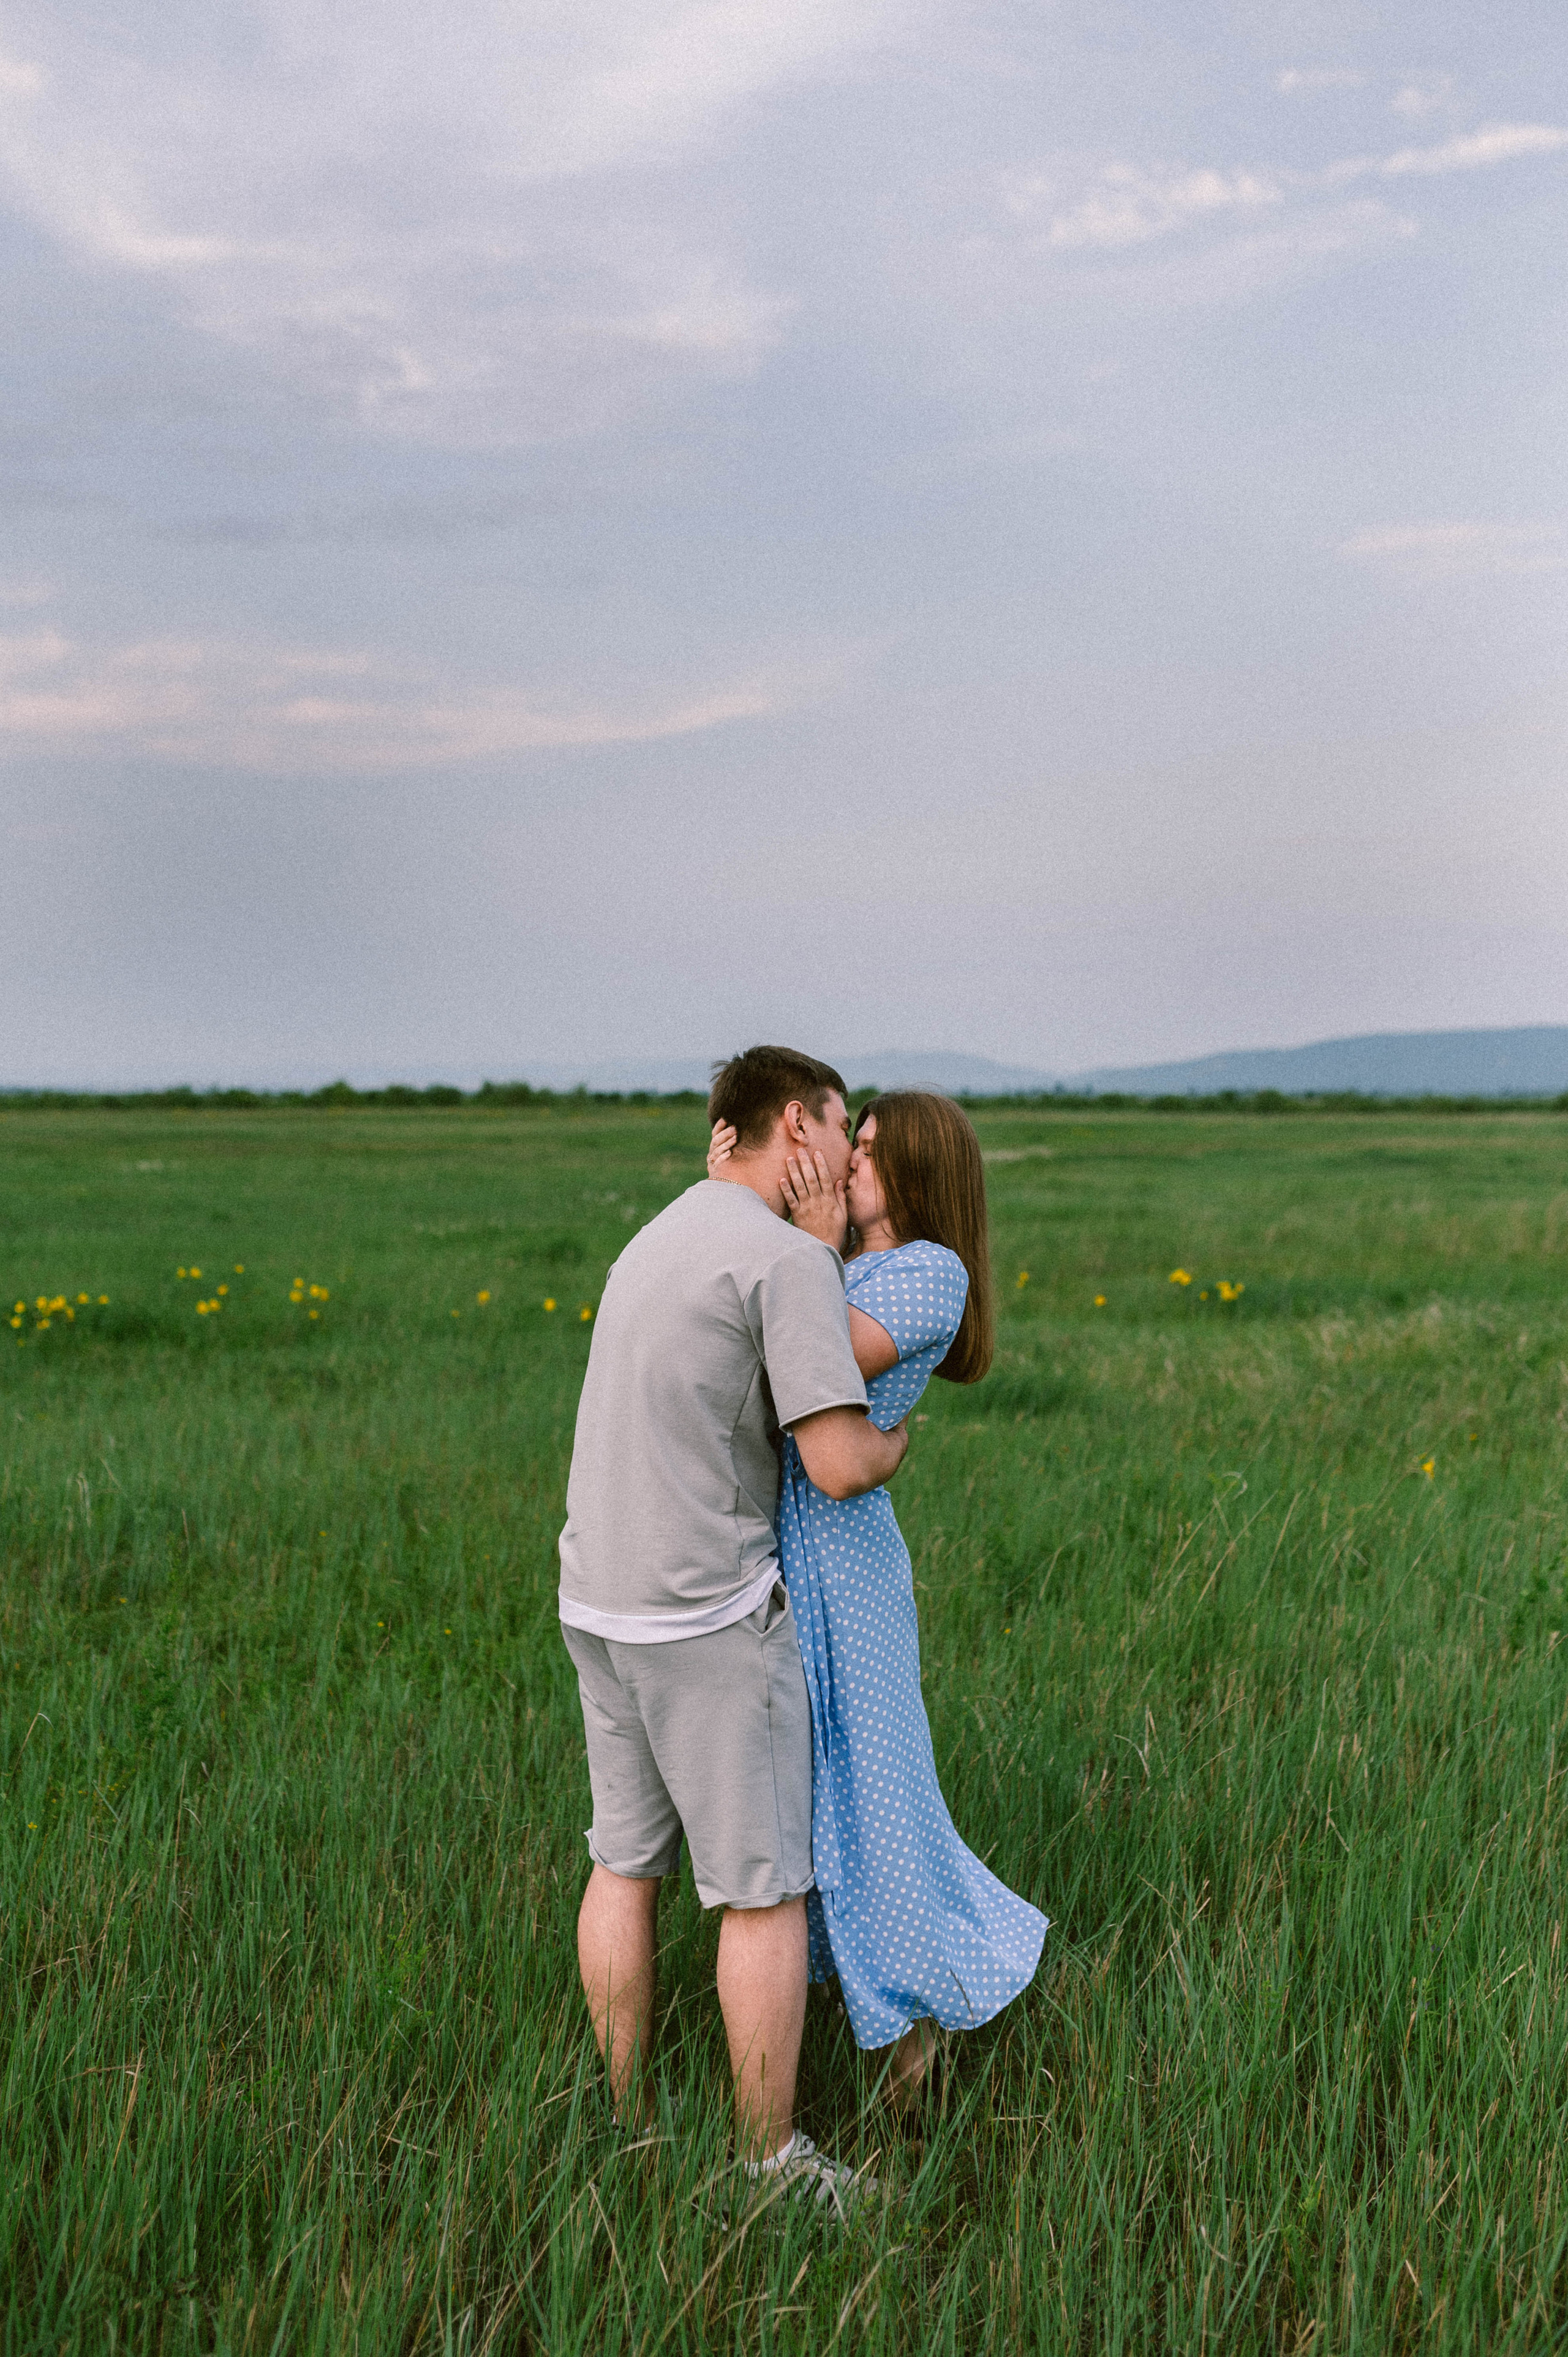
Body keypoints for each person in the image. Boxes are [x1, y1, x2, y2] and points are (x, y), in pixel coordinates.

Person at [557, 1045, 908, 2209]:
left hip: (596, 1597)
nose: (846, 1150)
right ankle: (768, 2163)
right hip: (703, 1612)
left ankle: (622, 2121)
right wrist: (898, 1441)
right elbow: (837, 1460)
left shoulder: (657, 1233)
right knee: (763, 1894)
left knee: (624, 1864)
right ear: (798, 1125)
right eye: (840, 1125)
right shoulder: (784, 1260)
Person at [708, 1090, 1047, 2107]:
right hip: (786, 1552)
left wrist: (809, 1244)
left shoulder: (930, 1273)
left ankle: (915, 2046)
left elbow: (807, 1355)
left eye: (868, 1149)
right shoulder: (843, 1262)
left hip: (846, 1568)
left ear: (920, 1171)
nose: (847, 1162)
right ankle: (852, 2016)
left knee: (876, 1796)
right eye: (850, 1142)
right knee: (808, 1793)